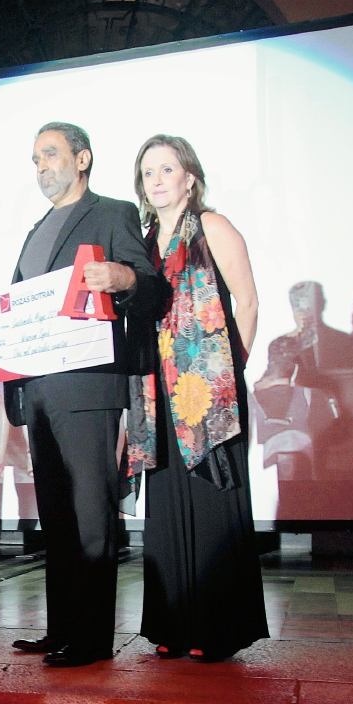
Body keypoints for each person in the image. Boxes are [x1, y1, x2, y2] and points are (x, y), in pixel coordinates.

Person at [0, 122, 164, 667]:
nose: (41, 166)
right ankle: (62, 627)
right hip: (39, 385)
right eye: (35, 158)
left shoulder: (112, 213)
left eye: (51, 154)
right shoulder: (37, 227)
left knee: (90, 511)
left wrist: (123, 277)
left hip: (88, 384)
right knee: (57, 517)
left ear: (82, 159)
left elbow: (151, 285)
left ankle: (90, 638)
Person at [126, 134, 267, 661]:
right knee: (165, 505)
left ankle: (217, 628)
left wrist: (232, 371)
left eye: (167, 169)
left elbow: (247, 302)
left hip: (210, 393)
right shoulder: (140, 241)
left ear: (189, 177)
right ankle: (173, 624)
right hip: (156, 391)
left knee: (211, 502)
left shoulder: (213, 226)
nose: (157, 180)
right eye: (148, 172)